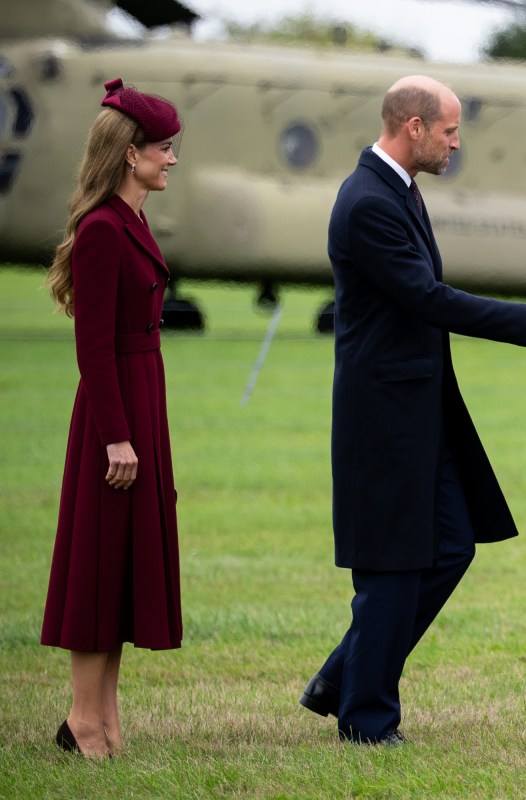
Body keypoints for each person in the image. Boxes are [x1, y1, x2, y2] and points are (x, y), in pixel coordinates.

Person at [299, 75, 526, 746]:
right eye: (450, 131)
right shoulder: (368, 201)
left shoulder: (397, 189)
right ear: (414, 128)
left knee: (451, 545)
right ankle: (368, 721)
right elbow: (426, 298)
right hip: (384, 417)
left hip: (421, 411)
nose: (456, 143)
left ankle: (344, 677)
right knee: (391, 566)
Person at [41, 78, 183, 758]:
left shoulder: (133, 220)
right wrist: (117, 435)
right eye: (163, 149)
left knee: (123, 564)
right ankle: (82, 719)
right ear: (130, 154)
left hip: (141, 396)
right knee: (97, 567)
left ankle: (102, 718)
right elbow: (92, 345)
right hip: (114, 410)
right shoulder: (101, 230)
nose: (172, 160)